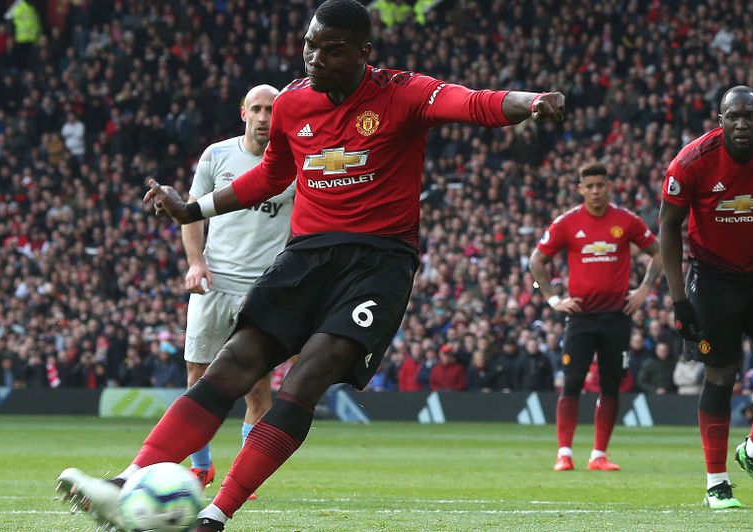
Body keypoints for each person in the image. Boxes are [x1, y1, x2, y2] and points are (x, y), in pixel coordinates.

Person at [56, 1, 565, 530]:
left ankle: (215, 515)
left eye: (331, 49)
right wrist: (194, 209)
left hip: (378, 264)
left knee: (306, 377)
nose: (314, 58)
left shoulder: (401, 93)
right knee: (232, 364)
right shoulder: (295, 103)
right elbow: (273, 175)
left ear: (364, 53)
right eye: (309, 45)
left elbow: (473, 102)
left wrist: (530, 102)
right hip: (306, 256)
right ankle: (126, 482)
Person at [658, 86, 753, 509]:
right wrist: (678, 300)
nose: (741, 123)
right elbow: (669, 228)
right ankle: (716, 483)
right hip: (713, 277)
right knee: (721, 375)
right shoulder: (691, 162)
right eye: (732, 116)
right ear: (719, 120)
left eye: (749, 115)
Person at [181, 84, 295, 497]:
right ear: (243, 113)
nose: (265, 117)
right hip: (214, 283)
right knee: (198, 375)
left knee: (258, 386)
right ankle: (201, 466)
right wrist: (196, 262)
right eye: (258, 109)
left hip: (262, 289)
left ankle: (243, 477)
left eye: (272, 110)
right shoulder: (216, 155)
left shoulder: (294, 162)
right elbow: (191, 214)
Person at [529, 162, 662, 472]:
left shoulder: (625, 221)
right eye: (589, 187)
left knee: (611, 386)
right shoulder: (567, 223)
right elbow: (537, 260)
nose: (595, 191)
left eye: (600, 185)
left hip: (617, 316)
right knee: (572, 383)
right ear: (580, 189)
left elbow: (657, 252)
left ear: (608, 186)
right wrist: (553, 299)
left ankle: (598, 455)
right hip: (580, 318)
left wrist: (643, 290)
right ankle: (564, 453)